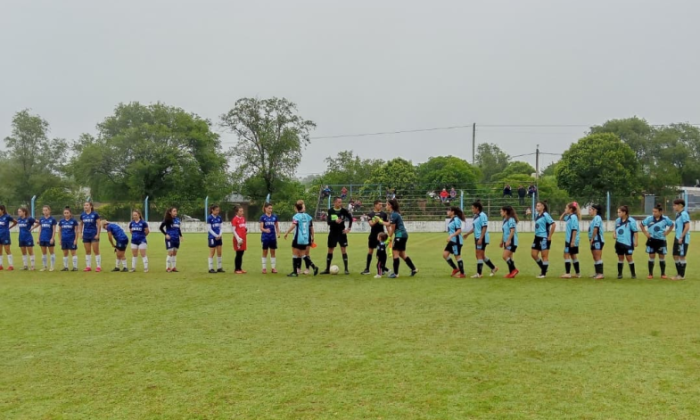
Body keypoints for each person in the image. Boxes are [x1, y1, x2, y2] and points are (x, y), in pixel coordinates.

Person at [384, 199, 418, 278]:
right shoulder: (395, 214)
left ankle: (396, 274)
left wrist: (389, 238)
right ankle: (414, 269)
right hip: (403, 235)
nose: (386, 206)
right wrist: (380, 221)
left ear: (390, 206)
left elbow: (392, 227)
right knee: (402, 254)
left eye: (387, 205)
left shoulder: (394, 215)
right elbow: (389, 223)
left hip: (400, 236)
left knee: (395, 253)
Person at [463, 201, 497, 278]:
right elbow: (475, 228)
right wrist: (467, 234)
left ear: (477, 208)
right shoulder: (476, 216)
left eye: (472, 208)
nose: (472, 209)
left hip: (482, 237)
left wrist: (481, 238)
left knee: (479, 255)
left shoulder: (482, 215)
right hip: (477, 237)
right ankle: (493, 268)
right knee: (480, 255)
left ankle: (479, 273)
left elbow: (484, 227)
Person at [284, 201, 318, 277]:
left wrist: (287, 232)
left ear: (296, 208)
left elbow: (293, 225)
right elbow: (311, 228)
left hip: (298, 238)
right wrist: (313, 237)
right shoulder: (308, 216)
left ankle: (294, 272)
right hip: (305, 239)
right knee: (303, 254)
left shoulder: (296, 216)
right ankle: (313, 267)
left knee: (295, 254)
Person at [321, 197, 352, 275]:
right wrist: (335, 221)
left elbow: (350, 218)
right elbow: (328, 222)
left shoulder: (343, 211)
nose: (340, 203)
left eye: (341, 202)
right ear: (334, 202)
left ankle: (346, 269)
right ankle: (327, 269)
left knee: (343, 249)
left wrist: (349, 228)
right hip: (333, 233)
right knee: (330, 250)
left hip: (341, 233)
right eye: (338, 202)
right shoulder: (330, 211)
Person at [641, 204, 673, 279]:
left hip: (661, 240)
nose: (654, 213)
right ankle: (650, 274)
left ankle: (663, 274)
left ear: (660, 212)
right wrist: (646, 233)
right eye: (653, 211)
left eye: (655, 212)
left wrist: (667, 232)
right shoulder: (649, 218)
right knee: (651, 256)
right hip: (651, 240)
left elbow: (672, 225)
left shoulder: (665, 219)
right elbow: (641, 225)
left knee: (662, 257)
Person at [362, 200, 388, 275]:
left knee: (382, 253)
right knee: (370, 251)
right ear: (375, 205)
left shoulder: (384, 214)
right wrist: (376, 221)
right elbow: (371, 224)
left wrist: (389, 234)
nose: (381, 206)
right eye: (379, 204)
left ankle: (382, 268)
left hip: (382, 236)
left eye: (381, 205)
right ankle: (367, 269)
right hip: (373, 235)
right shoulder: (370, 214)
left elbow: (386, 224)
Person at [613, 205, 639, 279]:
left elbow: (635, 232)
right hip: (619, 243)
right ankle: (620, 274)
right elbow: (615, 230)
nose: (618, 214)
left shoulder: (631, 221)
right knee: (620, 257)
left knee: (629, 258)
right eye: (618, 212)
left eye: (619, 212)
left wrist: (636, 241)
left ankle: (633, 274)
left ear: (624, 212)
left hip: (628, 243)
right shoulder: (617, 220)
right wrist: (614, 234)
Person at [531, 201, 556, 278]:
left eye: (538, 206)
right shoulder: (537, 215)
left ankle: (543, 273)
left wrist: (550, 236)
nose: (537, 207)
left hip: (544, 237)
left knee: (544, 256)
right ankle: (544, 268)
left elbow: (553, 224)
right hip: (537, 237)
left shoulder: (545, 215)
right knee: (534, 254)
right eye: (536, 206)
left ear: (543, 207)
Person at [560, 202, 581, 278]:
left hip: (571, 240)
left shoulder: (573, 217)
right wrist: (565, 213)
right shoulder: (569, 216)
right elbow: (561, 219)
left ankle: (568, 273)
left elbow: (574, 229)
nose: (565, 209)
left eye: (566, 208)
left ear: (571, 209)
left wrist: (572, 241)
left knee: (566, 255)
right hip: (569, 239)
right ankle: (578, 273)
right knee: (573, 255)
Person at [444, 206, 466, 278]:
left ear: (453, 212)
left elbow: (459, 230)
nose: (447, 211)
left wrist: (451, 236)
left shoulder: (456, 219)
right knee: (445, 254)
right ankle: (455, 268)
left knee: (457, 256)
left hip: (456, 241)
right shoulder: (452, 219)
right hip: (452, 241)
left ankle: (462, 273)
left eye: (448, 210)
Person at [79, 202, 101, 272]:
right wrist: (80, 233)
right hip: (86, 235)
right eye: (84, 205)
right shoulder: (82, 215)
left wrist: (98, 234)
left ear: (91, 206)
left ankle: (98, 266)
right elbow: (81, 224)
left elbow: (99, 224)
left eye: (87, 205)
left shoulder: (95, 214)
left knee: (96, 251)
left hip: (93, 235)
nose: (85, 206)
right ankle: (88, 266)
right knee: (87, 251)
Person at [671, 199, 691, 280]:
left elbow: (687, 226)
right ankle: (679, 273)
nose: (674, 206)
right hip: (677, 237)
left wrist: (681, 237)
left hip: (682, 238)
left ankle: (681, 275)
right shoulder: (678, 214)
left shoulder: (684, 214)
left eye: (675, 205)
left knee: (682, 256)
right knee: (675, 255)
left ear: (680, 205)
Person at [159, 207, 182, 272]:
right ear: (170, 212)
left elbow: (178, 228)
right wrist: (166, 234)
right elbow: (161, 228)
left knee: (174, 253)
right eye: (174, 211)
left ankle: (173, 267)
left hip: (176, 238)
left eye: (176, 211)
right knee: (170, 253)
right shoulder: (167, 220)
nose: (176, 212)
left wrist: (181, 236)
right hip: (170, 238)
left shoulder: (177, 219)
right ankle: (167, 267)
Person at [259, 203, 280, 274]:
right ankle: (264, 268)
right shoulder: (263, 217)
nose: (270, 210)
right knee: (265, 252)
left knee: (273, 252)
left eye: (271, 208)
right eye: (269, 208)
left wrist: (278, 233)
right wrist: (265, 230)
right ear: (265, 208)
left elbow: (276, 226)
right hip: (265, 237)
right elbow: (261, 228)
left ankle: (273, 268)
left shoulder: (274, 217)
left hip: (272, 237)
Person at [500, 205, 519, 278]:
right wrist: (502, 241)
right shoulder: (505, 220)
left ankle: (514, 269)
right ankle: (511, 273)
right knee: (510, 257)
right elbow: (505, 232)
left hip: (512, 241)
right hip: (507, 241)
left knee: (505, 256)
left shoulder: (511, 219)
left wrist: (508, 240)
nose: (500, 213)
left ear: (506, 212)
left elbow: (512, 230)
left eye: (501, 211)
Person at [58, 207, 79, 271]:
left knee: (73, 253)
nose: (66, 214)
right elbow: (59, 231)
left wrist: (75, 239)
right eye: (65, 213)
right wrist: (60, 239)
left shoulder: (74, 221)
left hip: (71, 239)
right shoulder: (61, 221)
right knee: (65, 253)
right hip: (64, 239)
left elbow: (76, 231)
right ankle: (65, 267)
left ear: (70, 214)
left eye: (67, 213)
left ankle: (75, 267)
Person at [37, 205, 58, 271]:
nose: (45, 211)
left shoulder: (52, 219)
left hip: (49, 238)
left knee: (51, 252)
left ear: (49, 211)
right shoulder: (41, 219)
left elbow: (54, 229)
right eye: (43, 210)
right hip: (42, 238)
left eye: (46, 210)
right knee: (44, 253)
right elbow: (40, 229)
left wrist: (52, 238)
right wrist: (38, 238)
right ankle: (44, 266)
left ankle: (52, 266)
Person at [588, 204, 605, 279]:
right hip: (594, 239)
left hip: (597, 239)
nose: (589, 211)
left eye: (590, 209)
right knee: (594, 256)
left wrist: (592, 238)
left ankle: (600, 274)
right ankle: (597, 273)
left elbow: (596, 229)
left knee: (597, 256)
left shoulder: (597, 217)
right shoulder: (594, 218)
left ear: (595, 210)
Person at [207, 205, 224, 274]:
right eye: (216, 210)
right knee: (212, 252)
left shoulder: (219, 217)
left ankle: (219, 267)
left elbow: (221, 227)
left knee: (219, 252)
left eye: (218, 210)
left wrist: (220, 234)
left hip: (219, 237)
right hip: (212, 237)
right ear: (212, 210)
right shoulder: (209, 218)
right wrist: (216, 235)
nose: (218, 211)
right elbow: (209, 229)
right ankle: (210, 268)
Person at [0, 205, 16, 270]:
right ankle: (0, 265)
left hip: (5, 235)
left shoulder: (7, 217)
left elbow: (15, 222)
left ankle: (11, 265)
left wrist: (9, 227)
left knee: (7, 250)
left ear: (2, 210)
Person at [232, 206, 247, 274]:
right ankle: (236, 269)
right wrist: (238, 238)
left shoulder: (243, 218)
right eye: (240, 211)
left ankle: (240, 268)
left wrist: (246, 230)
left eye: (242, 211)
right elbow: (233, 230)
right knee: (238, 253)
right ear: (237, 212)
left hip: (243, 238)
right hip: (238, 239)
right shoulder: (235, 219)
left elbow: (244, 227)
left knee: (241, 253)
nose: (242, 212)